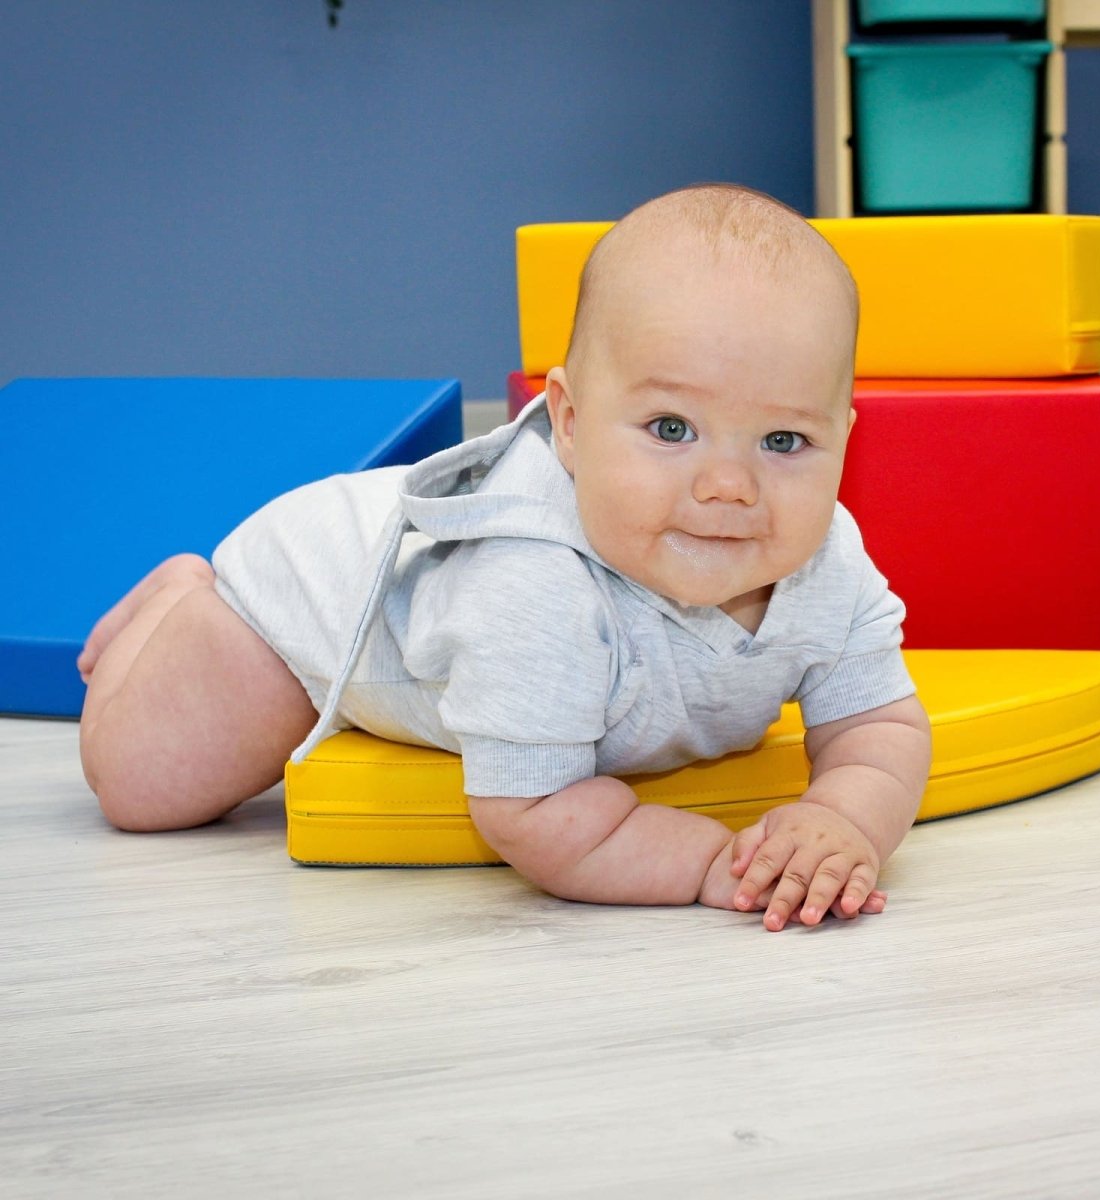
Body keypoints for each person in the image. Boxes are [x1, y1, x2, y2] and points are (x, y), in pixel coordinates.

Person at [78, 184, 931, 932]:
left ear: (844, 442)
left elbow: (879, 727)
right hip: (311, 602)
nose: (727, 485)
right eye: (671, 429)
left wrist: (845, 821)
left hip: (413, 593)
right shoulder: (534, 583)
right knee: (145, 788)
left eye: (784, 440)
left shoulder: (828, 564)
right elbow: (533, 809)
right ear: (568, 420)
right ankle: (186, 595)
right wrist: (715, 864)